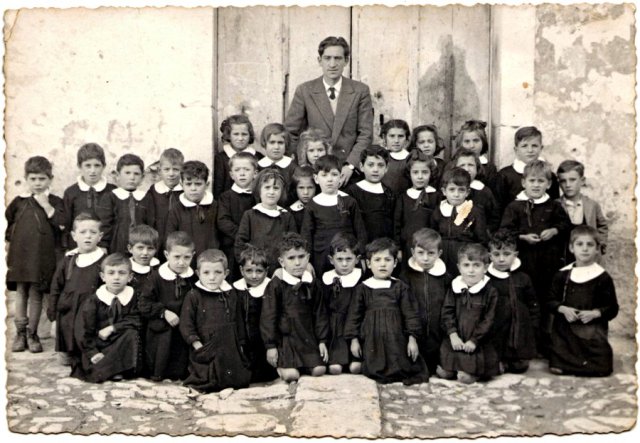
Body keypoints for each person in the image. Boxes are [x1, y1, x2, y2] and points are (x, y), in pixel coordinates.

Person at [500, 160, 571, 355]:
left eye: (541, 181)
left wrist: (554, 230)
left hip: (548, 264)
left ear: (549, 184)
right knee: (523, 302)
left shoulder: (554, 206)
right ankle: (523, 341)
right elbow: (505, 231)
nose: (536, 185)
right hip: (523, 265)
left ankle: (544, 342)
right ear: (524, 183)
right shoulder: (514, 207)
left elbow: (567, 227)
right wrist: (522, 237)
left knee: (545, 301)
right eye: (532, 180)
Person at [285, 36, 373, 187]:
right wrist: (303, 164)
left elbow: (366, 133)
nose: (332, 64)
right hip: (314, 173)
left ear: (346, 61)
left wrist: (351, 165)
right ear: (319, 60)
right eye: (327, 58)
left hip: (346, 172)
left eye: (338, 58)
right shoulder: (305, 90)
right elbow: (290, 132)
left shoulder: (360, 91)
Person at [344, 237, 429, 385]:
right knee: (372, 368)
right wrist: (354, 340)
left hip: (396, 339)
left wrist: (412, 339)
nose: (382, 264)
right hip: (373, 339)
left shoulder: (400, 287)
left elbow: (410, 315)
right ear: (369, 264)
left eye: (387, 260)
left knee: (403, 367)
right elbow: (354, 316)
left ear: (395, 263)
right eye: (377, 260)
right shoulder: (363, 288)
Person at [6, 156, 64, 352]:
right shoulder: (19, 202)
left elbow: (62, 224)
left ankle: (33, 333)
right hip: (21, 257)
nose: (38, 183)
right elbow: (9, 224)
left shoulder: (55, 201)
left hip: (42, 257)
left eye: (42, 179)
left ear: (50, 179)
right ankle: (20, 333)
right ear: (26, 179)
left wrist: (47, 206)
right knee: (21, 292)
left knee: (36, 294)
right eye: (33, 179)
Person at [547, 226, 618, 376]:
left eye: (590, 245)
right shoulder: (562, 275)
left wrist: (595, 313)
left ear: (597, 249)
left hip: (591, 329)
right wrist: (563, 309)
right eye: (579, 244)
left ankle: (591, 364)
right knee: (558, 360)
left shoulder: (602, 277)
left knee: (602, 367)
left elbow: (612, 307)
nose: (585, 249)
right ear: (571, 248)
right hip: (566, 329)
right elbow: (550, 301)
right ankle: (562, 362)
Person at [260, 232, 329, 383]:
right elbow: (268, 316)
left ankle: (306, 364)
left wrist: (322, 340)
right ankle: (283, 367)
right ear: (282, 261)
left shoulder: (313, 284)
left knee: (319, 370)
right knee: (292, 376)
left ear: (308, 258)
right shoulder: (276, 285)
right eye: (291, 258)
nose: (297, 263)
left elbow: (319, 313)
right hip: (287, 339)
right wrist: (270, 345)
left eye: (301, 257)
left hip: (307, 337)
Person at [180, 249, 252, 392]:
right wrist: (197, 345)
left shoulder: (231, 294)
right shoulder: (194, 295)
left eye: (217, 272)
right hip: (205, 347)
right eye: (206, 273)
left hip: (228, 346)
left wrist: (241, 344)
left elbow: (238, 321)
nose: (212, 277)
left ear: (226, 273)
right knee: (208, 379)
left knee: (238, 378)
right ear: (198, 273)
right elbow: (186, 324)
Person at [73, 253, 143, 383]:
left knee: (132, 333)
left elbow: (137, 319)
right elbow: (83, 330)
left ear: (130, 277)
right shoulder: (94, 300)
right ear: (103, 277)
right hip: (99, 344)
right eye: (111, 273)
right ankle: (108, 368)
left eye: (122, 273)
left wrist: (113, 328)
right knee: (93, 362)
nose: (116, 277)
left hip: (120, 341)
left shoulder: (134, 297)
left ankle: (115, 369)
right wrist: (92, 352)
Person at [48, 213, 106, 365]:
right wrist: (53, 318)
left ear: (100, 236)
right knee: (66, 360)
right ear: (74, 236)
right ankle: (69, 350)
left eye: (93, 233)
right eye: (83, 232)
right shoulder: (68, 261)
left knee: (88, 356)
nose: (88, 236)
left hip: (91, 315)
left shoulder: (104, 261)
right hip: (68, 313)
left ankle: (88, 351)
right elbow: (55, 289)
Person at [437, 243, 499, 384]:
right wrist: (452, 334)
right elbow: (447, 312)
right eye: (466, 265)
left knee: (467, 373)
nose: (471, 270)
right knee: (445, 373)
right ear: (459, 267)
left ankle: (473, 374)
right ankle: (451, 369)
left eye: (476, 265)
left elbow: (489, 319)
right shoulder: (455, 287)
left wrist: (474, 340)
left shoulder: (490, 291)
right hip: (457, 337)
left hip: (477, 340)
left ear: (486, 267)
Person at [139, 231, 196, 381]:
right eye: (176, 257)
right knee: (162, 343)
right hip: (162, 327)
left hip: (184, 327)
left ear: (193, 256)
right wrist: (163, 312)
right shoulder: (156, 278)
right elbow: (144, 303)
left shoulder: (193, 279)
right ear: (166, 254)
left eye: (187, 257)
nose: (181, 262)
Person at [301, 155, 367, 274]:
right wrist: (307, 261)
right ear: (316, 178)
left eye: (334, 174)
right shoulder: (312, 205)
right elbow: (307, 235)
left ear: (341, 176)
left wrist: (361, 255)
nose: (329, 179)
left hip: (346, 259)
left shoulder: (349, 201)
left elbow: (360, 231)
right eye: (324, 175)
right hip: (321, 258)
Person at [400, 228, 452, 374]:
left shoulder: (445, 278)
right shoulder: (406, 277)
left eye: (431, 253)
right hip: (415, 333)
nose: (425, 258)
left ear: (439, 254)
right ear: (413, 252)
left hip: (438, 331)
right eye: (420, 253)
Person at [487, 229, 539, 374]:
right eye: (497, 254)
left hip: (519, 328)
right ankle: (498, 360)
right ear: (490, 256)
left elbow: (532, 304)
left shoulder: (523, 278)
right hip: (496, 328)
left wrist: (533, 326)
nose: (501, 259)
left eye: (507, 254)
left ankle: (515, 360)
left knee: (520, 367)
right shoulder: (486, 279)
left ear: (515, 255)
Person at [235, 169, 297, 272]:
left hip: (280, 270)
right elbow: (240, 244)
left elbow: (293, 245)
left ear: (282, 191)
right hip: (255, 270)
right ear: (259, 190)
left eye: (276, 188)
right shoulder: (250, 215)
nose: (271, 192)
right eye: (267, 187)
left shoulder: (287, 217)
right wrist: (251, 266)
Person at [232, 245, 278, 383]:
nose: (254, 276)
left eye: (259, 271)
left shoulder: (271, 288)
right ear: (241, 270)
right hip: (245, 340)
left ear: (266, 271)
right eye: (249, 271)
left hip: (265, 342)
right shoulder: (236, 289)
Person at [320, 233, 363, 375]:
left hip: (355, 326)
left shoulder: (361, 279)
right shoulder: (326, 279)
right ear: (331, 260)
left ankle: (355, 359)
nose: (344, 264)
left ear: (357, 260)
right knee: (335, 369)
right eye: (339, 259)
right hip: (334, 327)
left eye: (349, 259)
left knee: (355, 368)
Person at [430, 167, 488, 272]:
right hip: (441, 257)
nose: (456, 194)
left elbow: (481, 240)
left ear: (467, 192)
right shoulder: (439, 210)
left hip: (465, 258)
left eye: (461, 190)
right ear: (444, 191)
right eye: (452, 189)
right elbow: (433, 235)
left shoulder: (474, 212)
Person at [97, 153, 155, 254]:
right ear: (118, 175)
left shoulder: (146, 198)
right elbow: (104, 224)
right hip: (116, 247)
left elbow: (151, 224)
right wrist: (103, 245)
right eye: (127, 173)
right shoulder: (111, 197)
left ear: (142, 177)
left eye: (136, 174)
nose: (132, 177)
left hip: (141, 248)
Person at [61, 143, 115, 250]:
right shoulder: (71, 192)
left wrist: (105, 246)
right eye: (88, 165)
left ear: (103, 166)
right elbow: (67, 223)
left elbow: (114, 222)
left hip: (105, 248)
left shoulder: (112, 191)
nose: (93, 171)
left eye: (97, 165)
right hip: (78, 248)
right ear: (79, 166)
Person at [165, 160, 220, 261]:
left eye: (198, 184)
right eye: (189, 184)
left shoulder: (215, 206)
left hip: (211, 262)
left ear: (207, 184)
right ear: (182, 184)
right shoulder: (176, 209)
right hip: (185, 262)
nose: (193, 188)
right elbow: (170, 238)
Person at [216, 151, 258, 280]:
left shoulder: (258, 196)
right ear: (231, 175)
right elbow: (223, 221)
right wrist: (242, 237)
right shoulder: (225, 197)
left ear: (255, 173)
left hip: (255, 247)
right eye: (237, 170)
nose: (242, 173)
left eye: (246, 169)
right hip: (232, 248)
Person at [495, 126, 560, 209]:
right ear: (516, 150)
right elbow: (498, 207)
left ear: (541, 148)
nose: (530, 150)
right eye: (524, 146)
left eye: (534, 146)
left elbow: (554, 206)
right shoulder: (504, 176)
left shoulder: (549, 175)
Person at [556, 160, 609, 260]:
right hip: (563, 256)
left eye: (572, 180)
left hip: (587, 256)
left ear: (582, 180)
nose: (568, 185)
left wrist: (601, 244)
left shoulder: (592, 205)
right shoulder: (555, 205)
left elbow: (602, 226)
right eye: (563, 181)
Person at [393, 150, 439, 264]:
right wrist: (398, 248)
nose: (420, 177)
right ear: (409, 174)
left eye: (424, 172)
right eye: (415, 172)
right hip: (408, 246)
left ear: (431, 173)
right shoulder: (403, 197)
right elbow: (397, 224)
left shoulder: (436, 196)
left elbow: (439, 223)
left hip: (429, 248)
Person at [346, 145, 395, 243]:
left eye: (380, 165)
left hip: (383, 247)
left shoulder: (389, 193)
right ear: (361, 167)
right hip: (360, 245)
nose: (375, 169)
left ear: (386, 168)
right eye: (371, 165)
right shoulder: (352, 191)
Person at [450, 148, 501, 234]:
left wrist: (486, 231)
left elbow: (494, 217)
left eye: (471, 165)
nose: (467, 169)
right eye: (462, 165)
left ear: (477, 168)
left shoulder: (484, 191)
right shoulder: (450, 190)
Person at [213, 114, 260, 199]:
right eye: (236, 134)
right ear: (228, 135)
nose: (240, 138)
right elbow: (218, 188)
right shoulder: (221, 159)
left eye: (244, 134)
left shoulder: (258, 157)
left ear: (250, 135)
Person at [146, 148, 184, 246]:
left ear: (182, 171)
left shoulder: (185, 192)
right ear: (159, 171)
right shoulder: (153, 191)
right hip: (158, 239)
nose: (171, 174)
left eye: (175, 169)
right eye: (166, 169)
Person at [454, 120, 498, 195]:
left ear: (483, 142)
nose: (472, 146)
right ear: (461, 143)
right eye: (467, 141)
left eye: (476, 141)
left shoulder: (490, 168)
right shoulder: (452, 165)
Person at [257, 123, 296, 192]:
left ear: (286, 144)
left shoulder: (292, 166)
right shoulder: (259, 166)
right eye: (272, 142)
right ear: (265, 143)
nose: (276, 147)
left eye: (280, 143)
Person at [410, 124, 446, 189]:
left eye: (430, 141)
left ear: (436, 143)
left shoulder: (442, 165)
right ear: (415, 145)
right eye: (421, 142)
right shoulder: (411, 165)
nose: (426, 145)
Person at [380, 119, 412, 194]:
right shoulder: (379, 156)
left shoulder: (410, 158)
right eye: (392, 136)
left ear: (406, 138)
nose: (396, 140)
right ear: (385, 137)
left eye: (401, 136)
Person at [127, 224, 160, 292]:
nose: (145, 253)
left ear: (156, 249)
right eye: (140, 248)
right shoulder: (125, 269)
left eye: (150, 248)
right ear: (130, 248)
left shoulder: (159, 270)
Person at [288, 166, 317, 232]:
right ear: (295, 189)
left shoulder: (321, 208)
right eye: (301, 188)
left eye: (310, 187)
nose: (306, 192)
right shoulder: (291, 212)